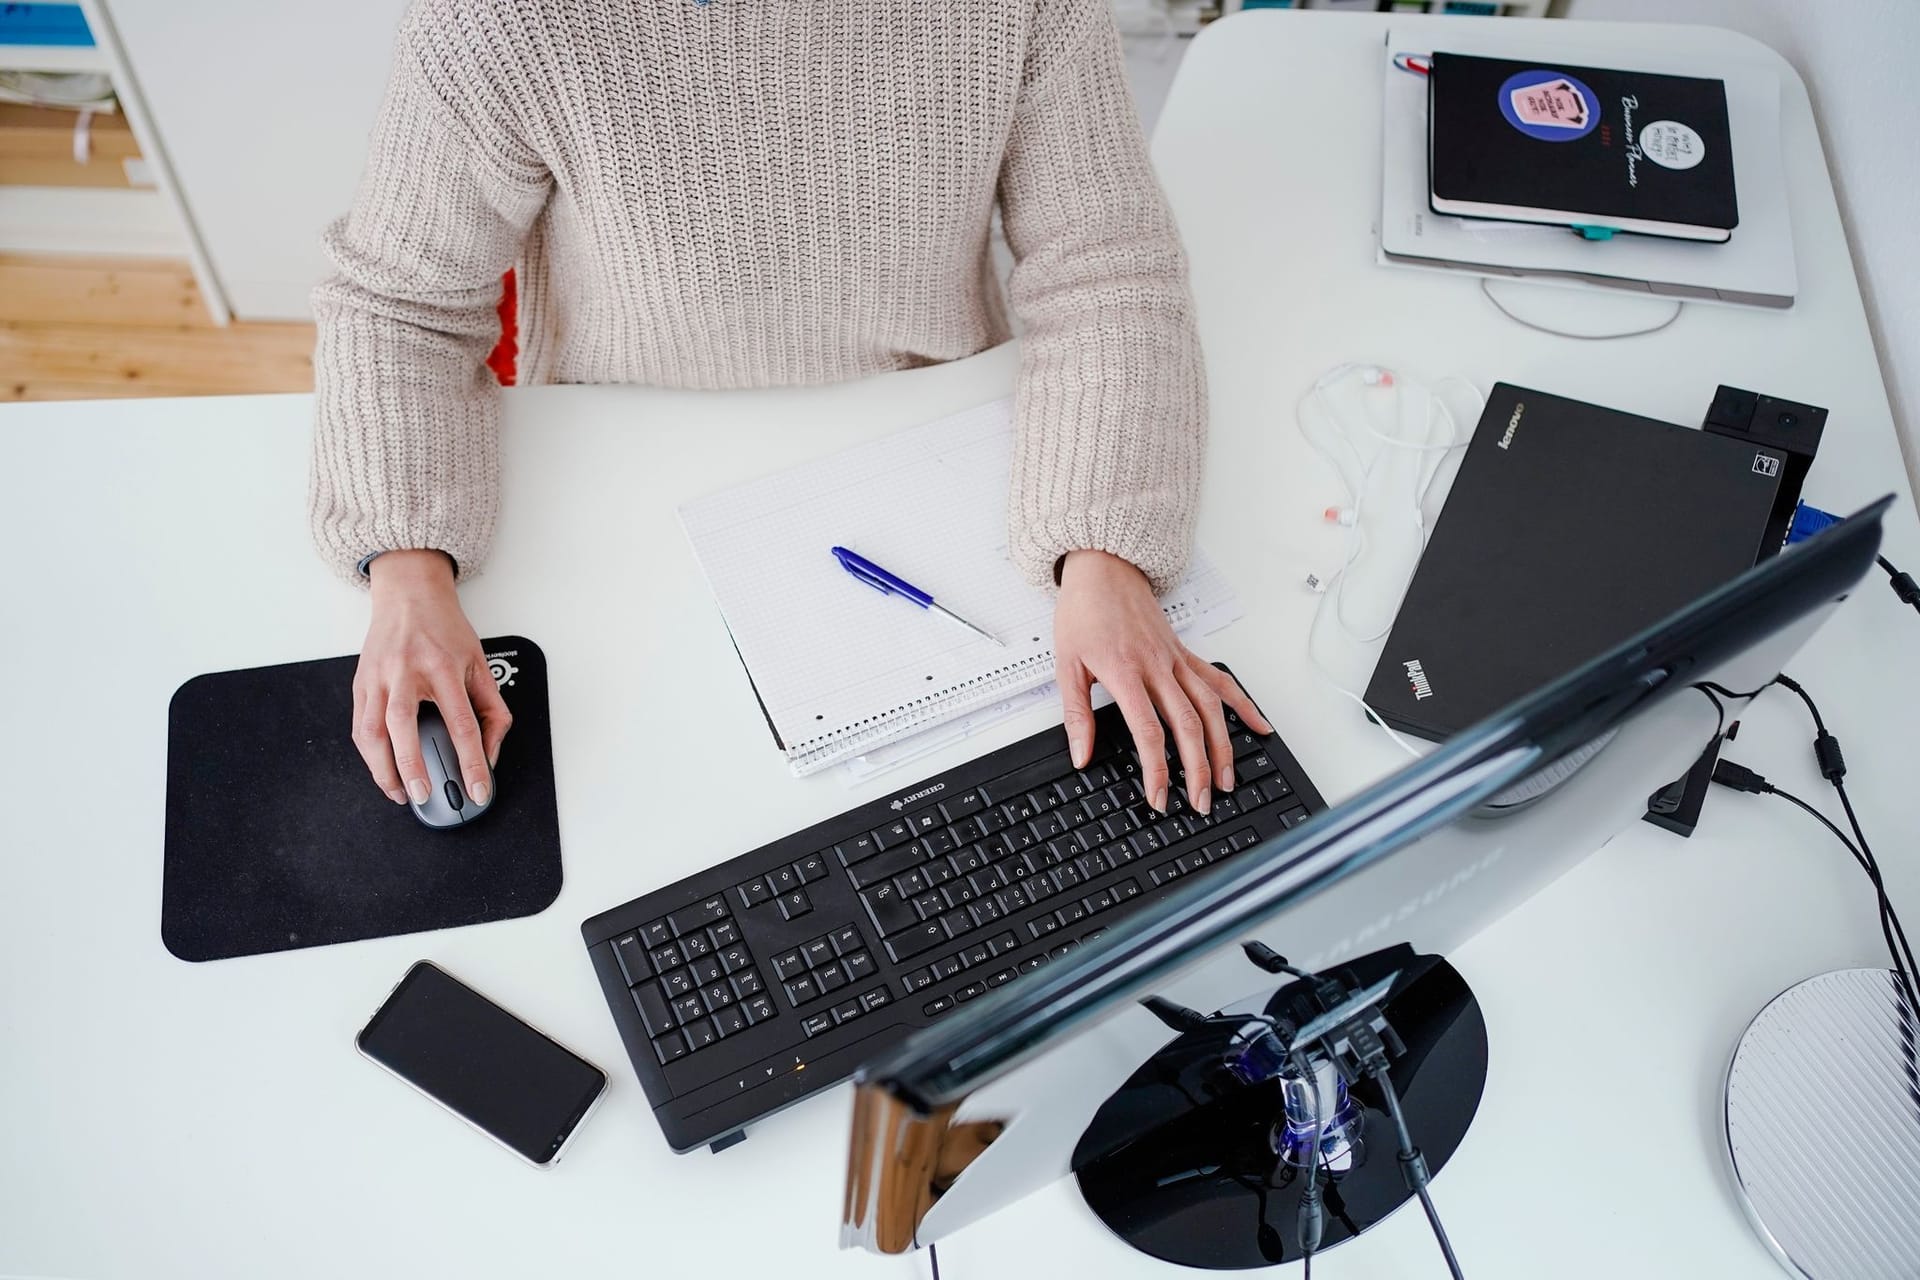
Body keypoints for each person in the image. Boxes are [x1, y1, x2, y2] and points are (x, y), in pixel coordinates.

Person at [310, 0, 1272, 825]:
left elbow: (1103, 263)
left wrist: (1104, 554)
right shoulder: (500, 24)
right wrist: (407, 571)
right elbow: (404, 302)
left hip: (930, 441)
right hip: (629, 463)